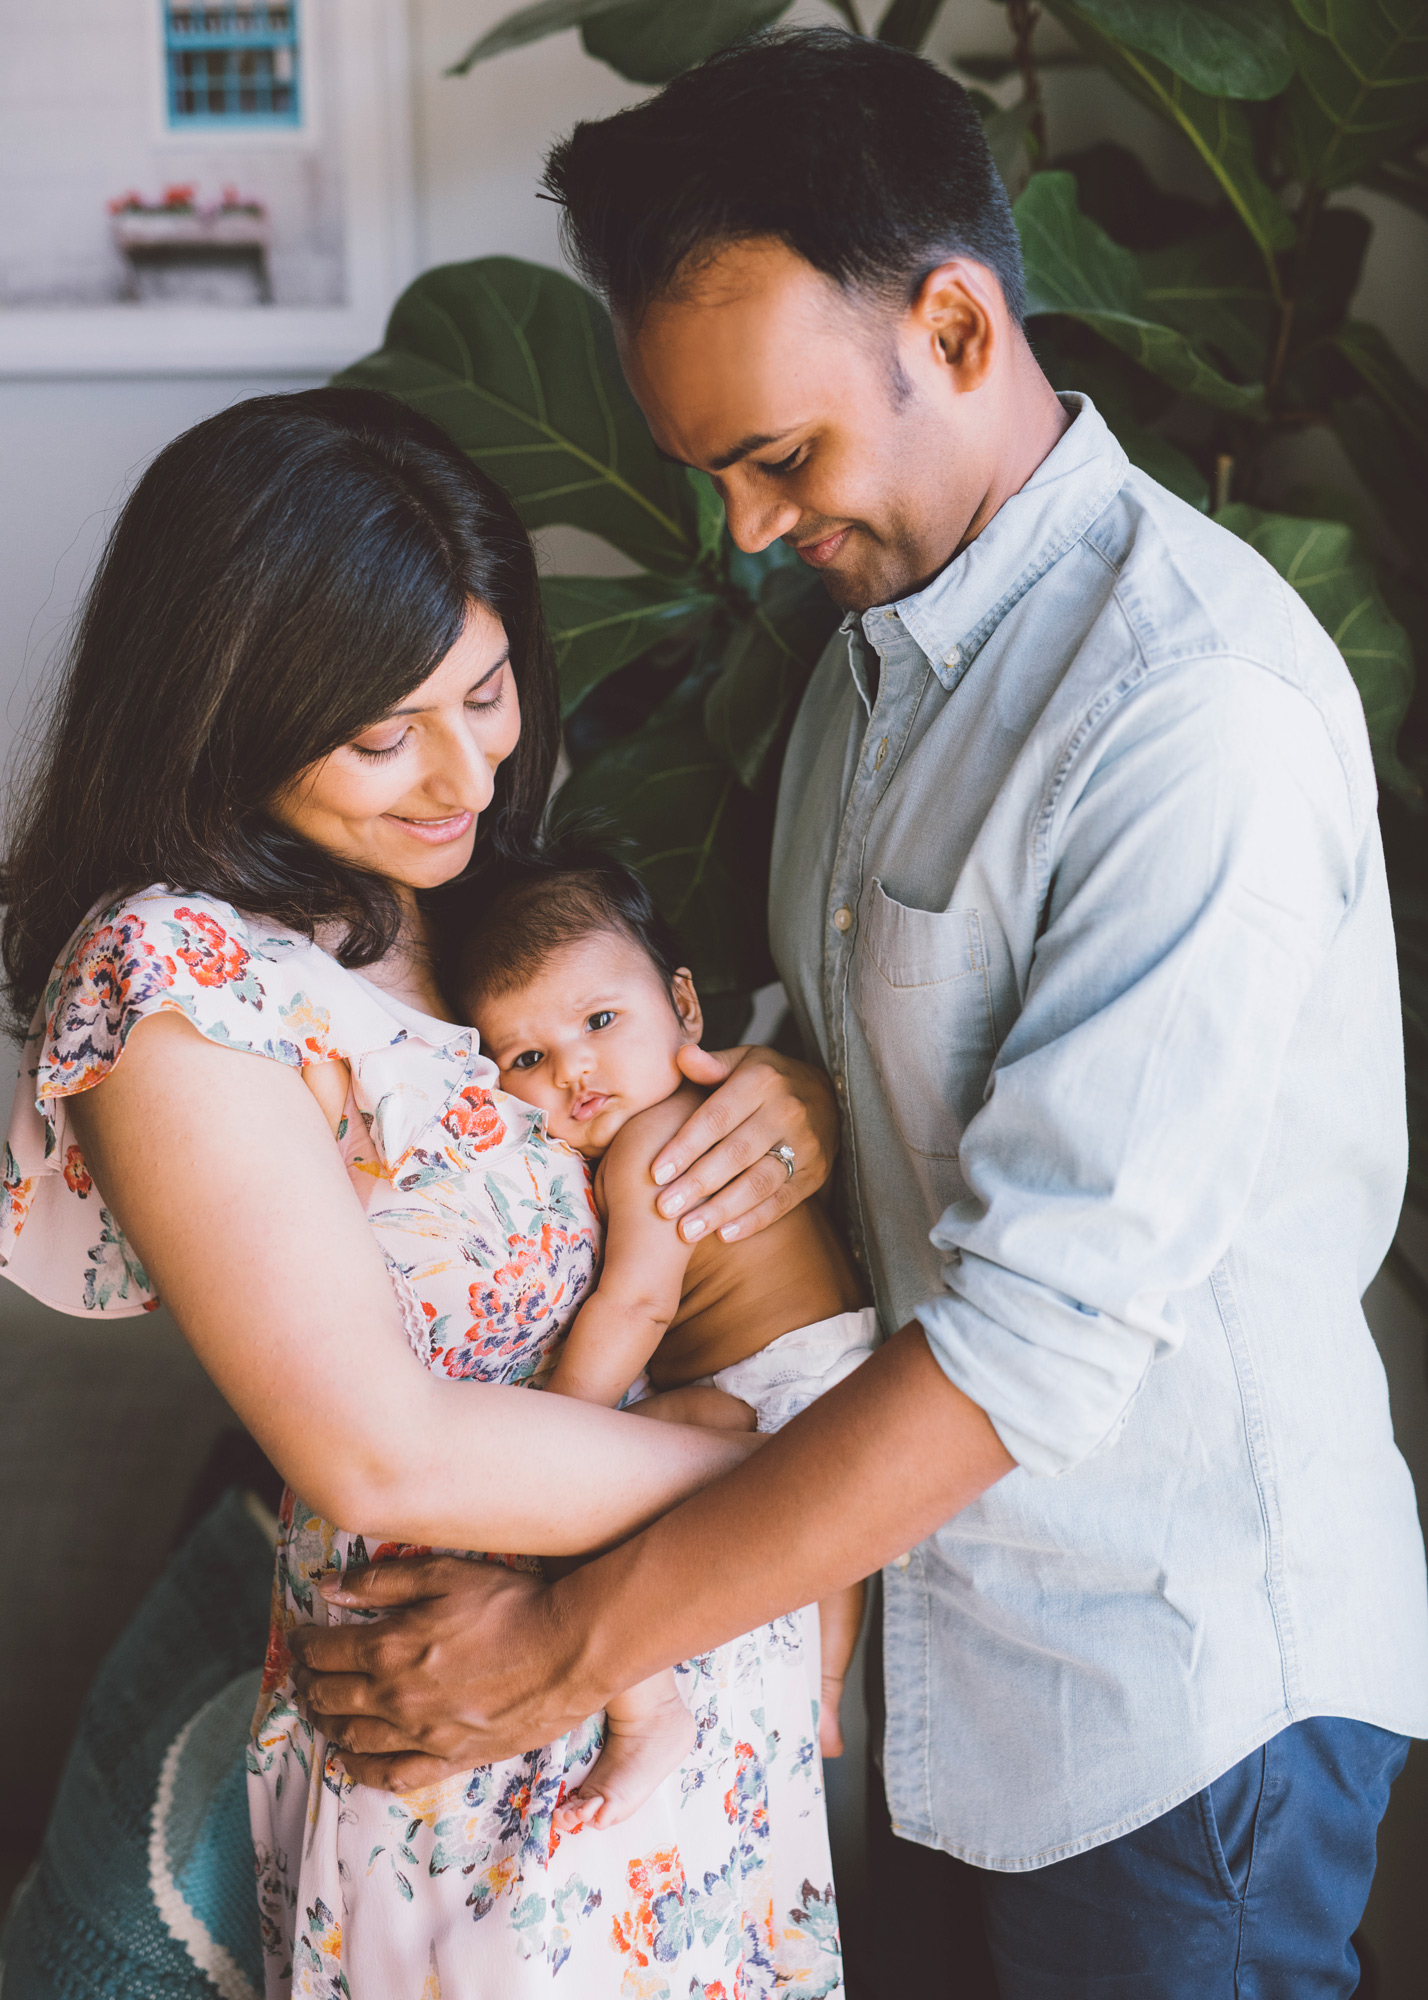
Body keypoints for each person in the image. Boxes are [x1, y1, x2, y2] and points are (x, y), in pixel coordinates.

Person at [287, 30, 1428, 1999]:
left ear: (962, 328)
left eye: (779, 458)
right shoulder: (866, 673)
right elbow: (888, 1086)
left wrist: (567, 1642)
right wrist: (800, 1096)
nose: (739, 531)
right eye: (706, 471)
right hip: (932, 1666)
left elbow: (1040, 1335)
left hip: (1162, 1702)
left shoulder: (1188, 715)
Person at [0, 387, 847, 1998]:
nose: (462, 771)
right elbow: (377, 1446)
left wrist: (773, 1099)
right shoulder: (180, 985)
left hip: (690, 1670)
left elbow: (655, 1100)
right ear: (226, 709)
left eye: (488, 690)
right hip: (472, 1714)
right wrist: (780, 1482)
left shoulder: (478, 890)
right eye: (385, 732)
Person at [453, 841, 874, 1830]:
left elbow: (634, 1307)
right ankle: (821, 1687)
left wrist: (559, 1430)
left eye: (600, 1021)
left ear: (685, 1007)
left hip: (775, 1387)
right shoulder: (670, 1117)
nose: (577, 1072)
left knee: (590, 1511)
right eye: (528, 1057)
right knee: (829, 1561)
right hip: (828, 1377)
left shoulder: (652, 1137)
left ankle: (647, 1712)